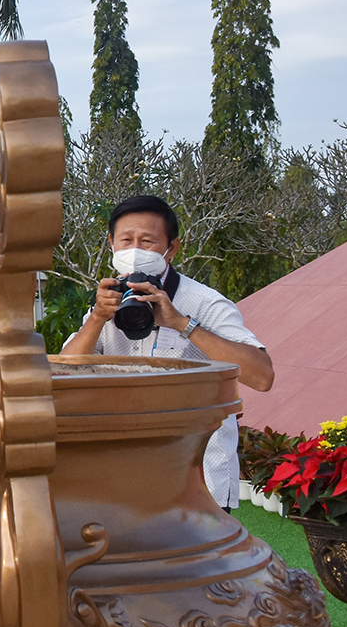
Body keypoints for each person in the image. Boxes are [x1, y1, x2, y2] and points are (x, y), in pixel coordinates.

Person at [61, 194, 274, 510]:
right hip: (123, 476)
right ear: (111, 243)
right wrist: (96, 319)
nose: (135, 250)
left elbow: (262, 376)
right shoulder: (108, 300)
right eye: (126, 240)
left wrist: (182, 324)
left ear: (171, 248)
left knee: (202, 559)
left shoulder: (203, 302)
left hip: (198, 478)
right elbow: (64, 372)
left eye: (147, 241)